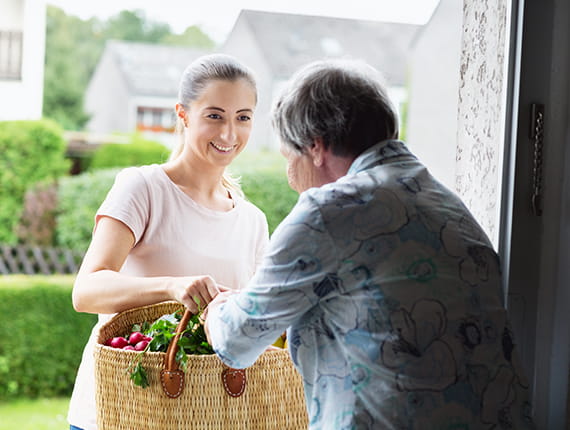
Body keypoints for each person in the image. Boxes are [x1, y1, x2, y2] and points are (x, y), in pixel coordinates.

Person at [204, 59, 535, 429]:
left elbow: (236, 341)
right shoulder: (444, 202)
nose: (290, 178)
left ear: (315, 146)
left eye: (288, 158)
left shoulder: (327, 213)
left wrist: (219, 308)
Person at [67, 54, 269, 430]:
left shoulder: (253, 221)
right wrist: (173, 287)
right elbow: (87, 291)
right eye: (214, 115)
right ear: (183, 114)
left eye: (243, 117)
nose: (228, 134)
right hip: (119, 411)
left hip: (204, 416)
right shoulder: (143, 188)